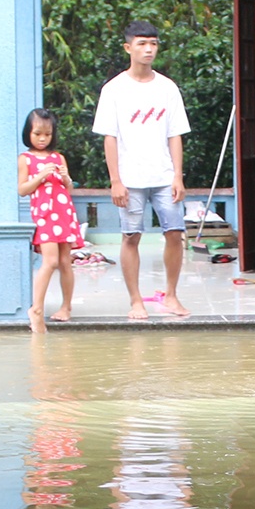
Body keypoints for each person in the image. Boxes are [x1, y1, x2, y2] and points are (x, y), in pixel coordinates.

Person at [92, 19, 191, 320]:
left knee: (175, 233)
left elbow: (175, 134)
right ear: (128, 47)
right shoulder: (114, 89)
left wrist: (177, 176)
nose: (149, 49)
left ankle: (171, 296)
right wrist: (115, 181)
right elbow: (110, 137)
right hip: (130, 179)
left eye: (154, 44)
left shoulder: (167, 88)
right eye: (142, 43)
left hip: (163, 176)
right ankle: (136, 301)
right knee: (130, 236)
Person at [19, 109, 80, 333]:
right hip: (44, 215)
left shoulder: (58, 157)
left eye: (47, 134)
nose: (43, 138)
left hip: (64, 213)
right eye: (37, 134)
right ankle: (37, 309)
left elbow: (68, 188)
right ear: (29, 133)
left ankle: (66, 307)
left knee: (65, 261)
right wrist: (40, 175)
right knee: (50, 261)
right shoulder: (26, 159)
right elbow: (22, 189)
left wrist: (65, 177)